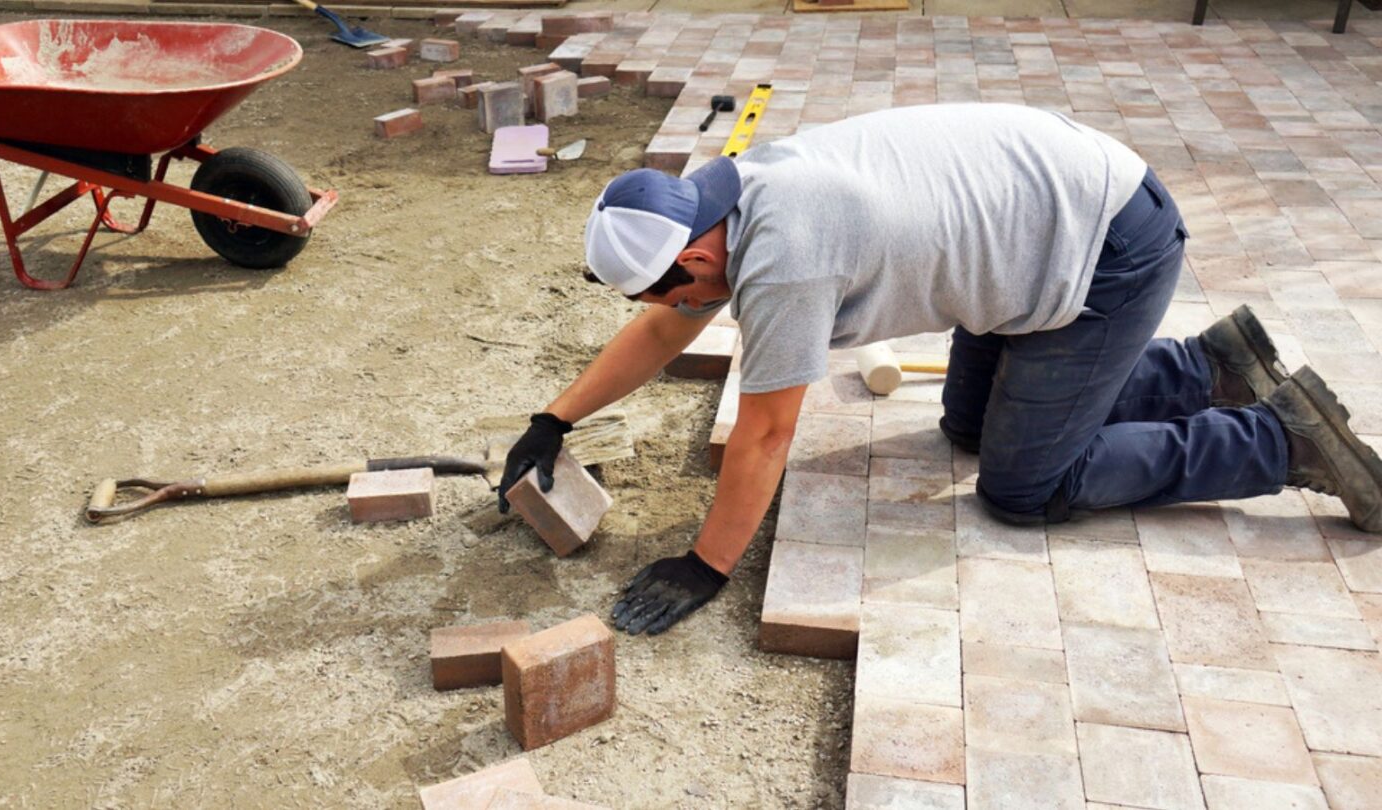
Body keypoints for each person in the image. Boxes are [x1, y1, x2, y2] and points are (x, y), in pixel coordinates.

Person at [497, 103, 1382, 637]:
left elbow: (767, 430)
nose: (674, 308)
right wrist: (555, 420)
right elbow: (665, 330)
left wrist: (707, 564)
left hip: (1106, 241)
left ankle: (1275, 438)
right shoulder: (726, 194)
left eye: (666, 291)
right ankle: (1207, 366)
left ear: (690, 256)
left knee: (1025, 486)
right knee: (968, 427)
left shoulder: (787, 259)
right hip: (1034, 232)